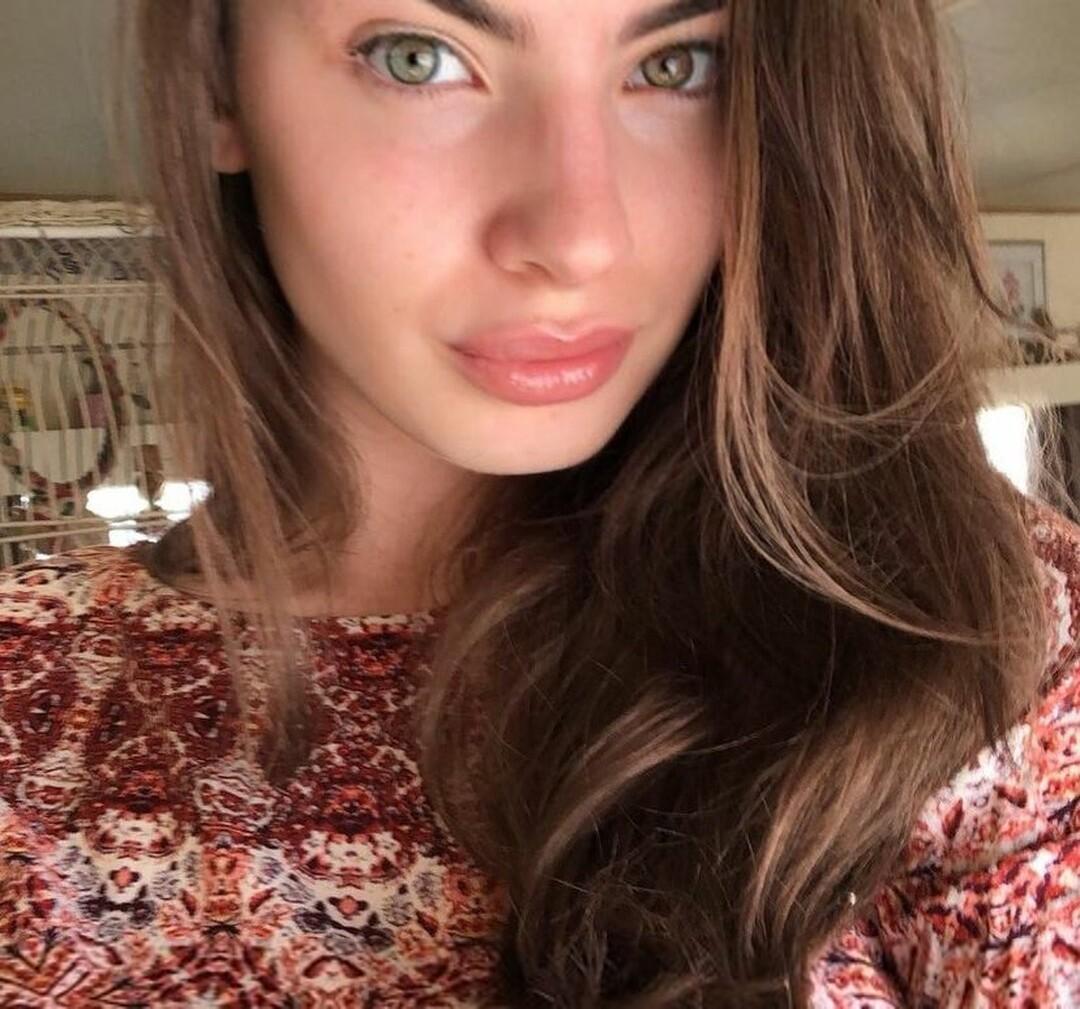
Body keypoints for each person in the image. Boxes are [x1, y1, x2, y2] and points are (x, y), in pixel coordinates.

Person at [1, 0, 1078, 1005]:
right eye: (418, 58)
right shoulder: (25, 694)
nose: (579, 239)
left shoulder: (981, 639)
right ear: (216, 81)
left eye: (678, 65)